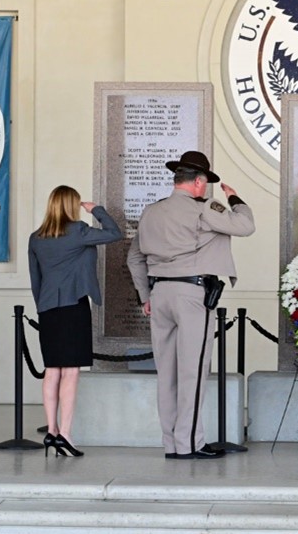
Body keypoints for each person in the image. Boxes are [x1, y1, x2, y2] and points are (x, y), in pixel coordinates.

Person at [126, 151, 255, 460]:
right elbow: (245, 226)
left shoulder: (151, 211)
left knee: (167, 375)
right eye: (204, 183)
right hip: (191, 296)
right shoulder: (203, 209)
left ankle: (171, 444)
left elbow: (134, 257)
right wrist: (235, 199)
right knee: (193, 373)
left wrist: (145, 296)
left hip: (159, 296)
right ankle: (190, 445)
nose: (205, 189)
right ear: (198, 182)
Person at [28, 186, 123, 458]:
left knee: (51, 371)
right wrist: (97, 210)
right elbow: (114, 233)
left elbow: (36, 280)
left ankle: (52, 430)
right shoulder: (79, 231)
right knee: (70, 372)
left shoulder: (36, 238)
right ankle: (66, 435)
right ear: (71, 206)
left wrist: (43, 306)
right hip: (72, 307)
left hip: (47, 308)